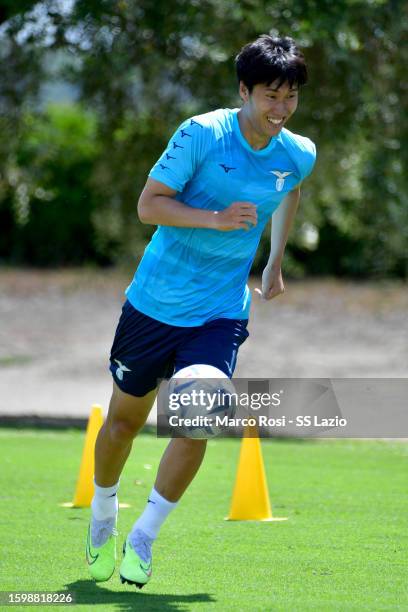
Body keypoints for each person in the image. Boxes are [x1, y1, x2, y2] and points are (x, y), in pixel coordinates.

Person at [85, 34, 316, 587]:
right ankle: (102, 515)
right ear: (244, 90)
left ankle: (144, 536)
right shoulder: (202, 133)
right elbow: (149, 205)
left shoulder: (298, 152)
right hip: (154, 303)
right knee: (122, 423)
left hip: (220, 309)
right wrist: (214, 218)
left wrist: (275, 261)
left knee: (199, 416)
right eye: (270, 96)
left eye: (290, 97)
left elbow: (289, 192)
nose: (280, 109)